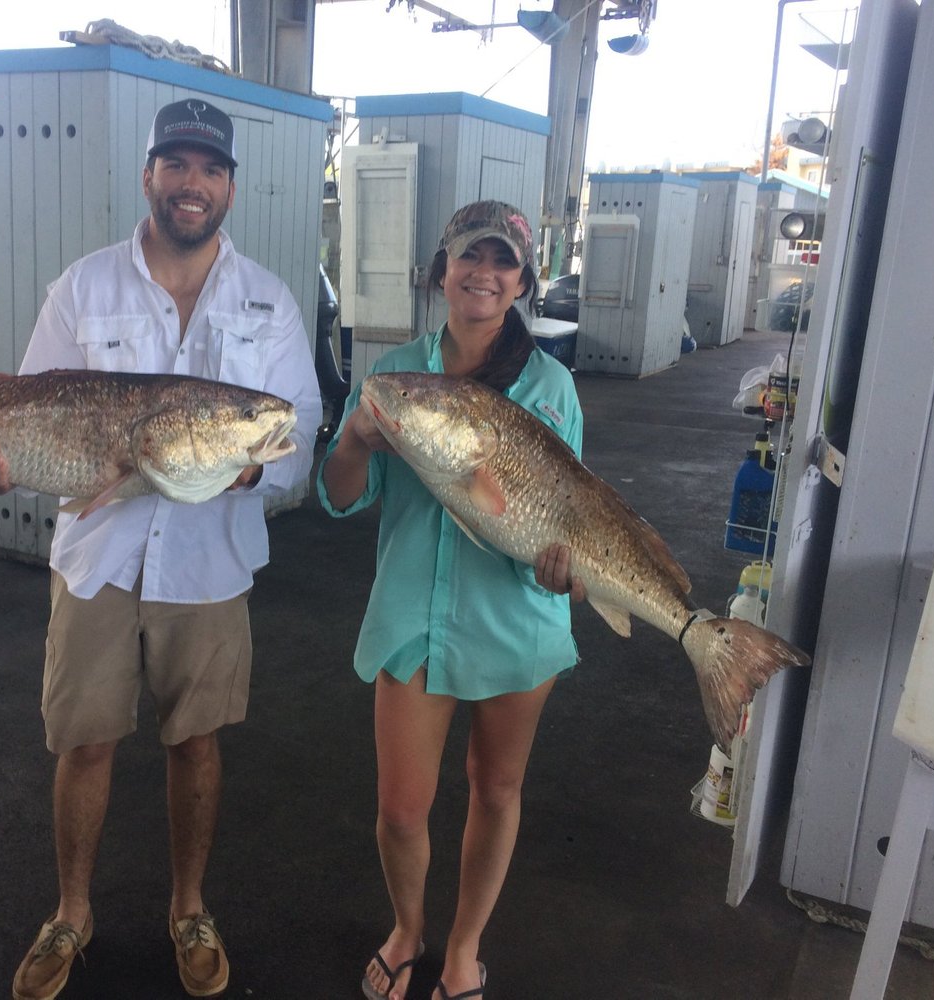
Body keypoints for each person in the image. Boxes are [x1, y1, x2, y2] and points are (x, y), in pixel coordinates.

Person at [0, 98, 321, 1000]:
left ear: (230, 185)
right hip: (98, 556)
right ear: (149, 174)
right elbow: (26, 412)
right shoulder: (83, 286)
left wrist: (250, 473)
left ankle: (188, 906)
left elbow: (297, 429)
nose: (193, 184)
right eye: (177, 164)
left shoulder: (268, 299)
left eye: (210, 169)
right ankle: (70, 911)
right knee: (84, 742)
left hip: (209, 562)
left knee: (196, 741)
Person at [318, 200, 586, 1000]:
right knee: (402, 808)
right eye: (470, 255)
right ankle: (408, 927)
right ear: (441, 270)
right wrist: (357, 441)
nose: (484, 273)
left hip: (517, 619)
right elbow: (338, 497)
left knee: (495, 788)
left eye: (503, 261)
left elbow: (571, 510)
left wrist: (564, 560)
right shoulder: (394, 373)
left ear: (522, 281)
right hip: (411, 616)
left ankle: (464, 946)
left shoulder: (550, 386)